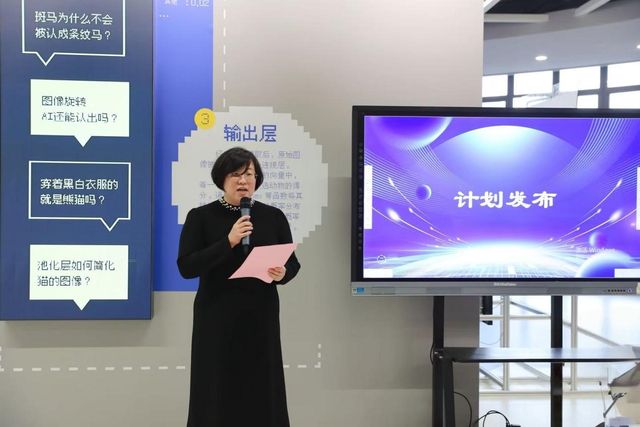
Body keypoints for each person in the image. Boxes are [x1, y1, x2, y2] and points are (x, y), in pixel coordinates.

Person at [177, 147, 300, 427]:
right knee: (216, 389)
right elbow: (186, 266)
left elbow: (293, 263)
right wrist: (228, 241)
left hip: (260, 318)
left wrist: (282, 273)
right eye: (235, 174)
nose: (243, 180)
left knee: (261, 388)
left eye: (249, 174)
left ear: (257, 179)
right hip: (216, 318)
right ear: (221, 178)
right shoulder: (201, 217)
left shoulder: (273, 216)